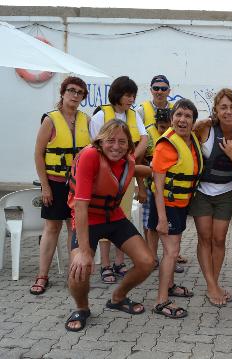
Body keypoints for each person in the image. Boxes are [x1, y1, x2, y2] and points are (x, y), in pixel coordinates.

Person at [65, 120, 154, 332]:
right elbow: (80, 206)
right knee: (79, 268)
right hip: (89, 219)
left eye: (122, 142)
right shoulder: (90, 156)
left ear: (129, 147)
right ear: (100, 141)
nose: (116, 146)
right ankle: (82, 308)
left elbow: (136, 169)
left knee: (147, 262)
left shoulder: (126, 160)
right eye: (111, 141)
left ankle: (118, 297)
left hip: (114, 217)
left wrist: (156, 171)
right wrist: (84, 251)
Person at [190, 88, 232, 307]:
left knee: (219, 239)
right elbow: (183, 140)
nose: (228, 111)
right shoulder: (205, 128)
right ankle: (211, 286)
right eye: (223, 107)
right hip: (202, 192)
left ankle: (213, 283)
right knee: (204, 238)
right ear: (216, 109)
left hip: (226, 192)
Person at [31, 77, 91, 295]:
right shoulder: (50, 120)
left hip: (78, 185)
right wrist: (45, 187)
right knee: (52, 228)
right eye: (71, 91)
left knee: (74, 229)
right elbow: (39, 154)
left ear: (83, 97)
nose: (75, 95)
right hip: (55, 184)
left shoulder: (86, 120)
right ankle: (42, 275)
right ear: (63, 93)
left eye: (79, 92)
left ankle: (72, 276)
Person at [90, 76, 148, 284]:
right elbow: (94, 145)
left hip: (125, 176)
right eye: (127, 95)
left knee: (121, 218)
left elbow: (144, 138)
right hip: (105, 176)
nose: (131, 99)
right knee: (105, 219)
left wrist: (130, 159)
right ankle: (105, 265)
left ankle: (119, 262)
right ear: (117, 95)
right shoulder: (100, 115)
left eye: (133, 95)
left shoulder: (134, 115)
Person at [149, 99, 201, 318]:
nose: (182, 120)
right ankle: (161, 301)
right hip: (167, 206)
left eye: (188, 116)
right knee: (171, 252)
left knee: (175, 250)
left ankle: (170, 286)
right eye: (178, 115)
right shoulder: (165, 145)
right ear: (171, 118)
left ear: (193, 122)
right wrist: (161, 218)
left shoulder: (192, 140)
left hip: (180, 205)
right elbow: (158, 187)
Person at [136, 75, 180, 272]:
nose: (160, 91)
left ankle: (171, 254)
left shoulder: (176, 114)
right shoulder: (141, 112)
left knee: (171, 221)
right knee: (151, 222)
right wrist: (141, 187)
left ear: (169, 90)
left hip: (171, 181)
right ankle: (151, 257)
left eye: (163, 88)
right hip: (150, 176)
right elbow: (138, 154)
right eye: (156, 88)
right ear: (151, 89)